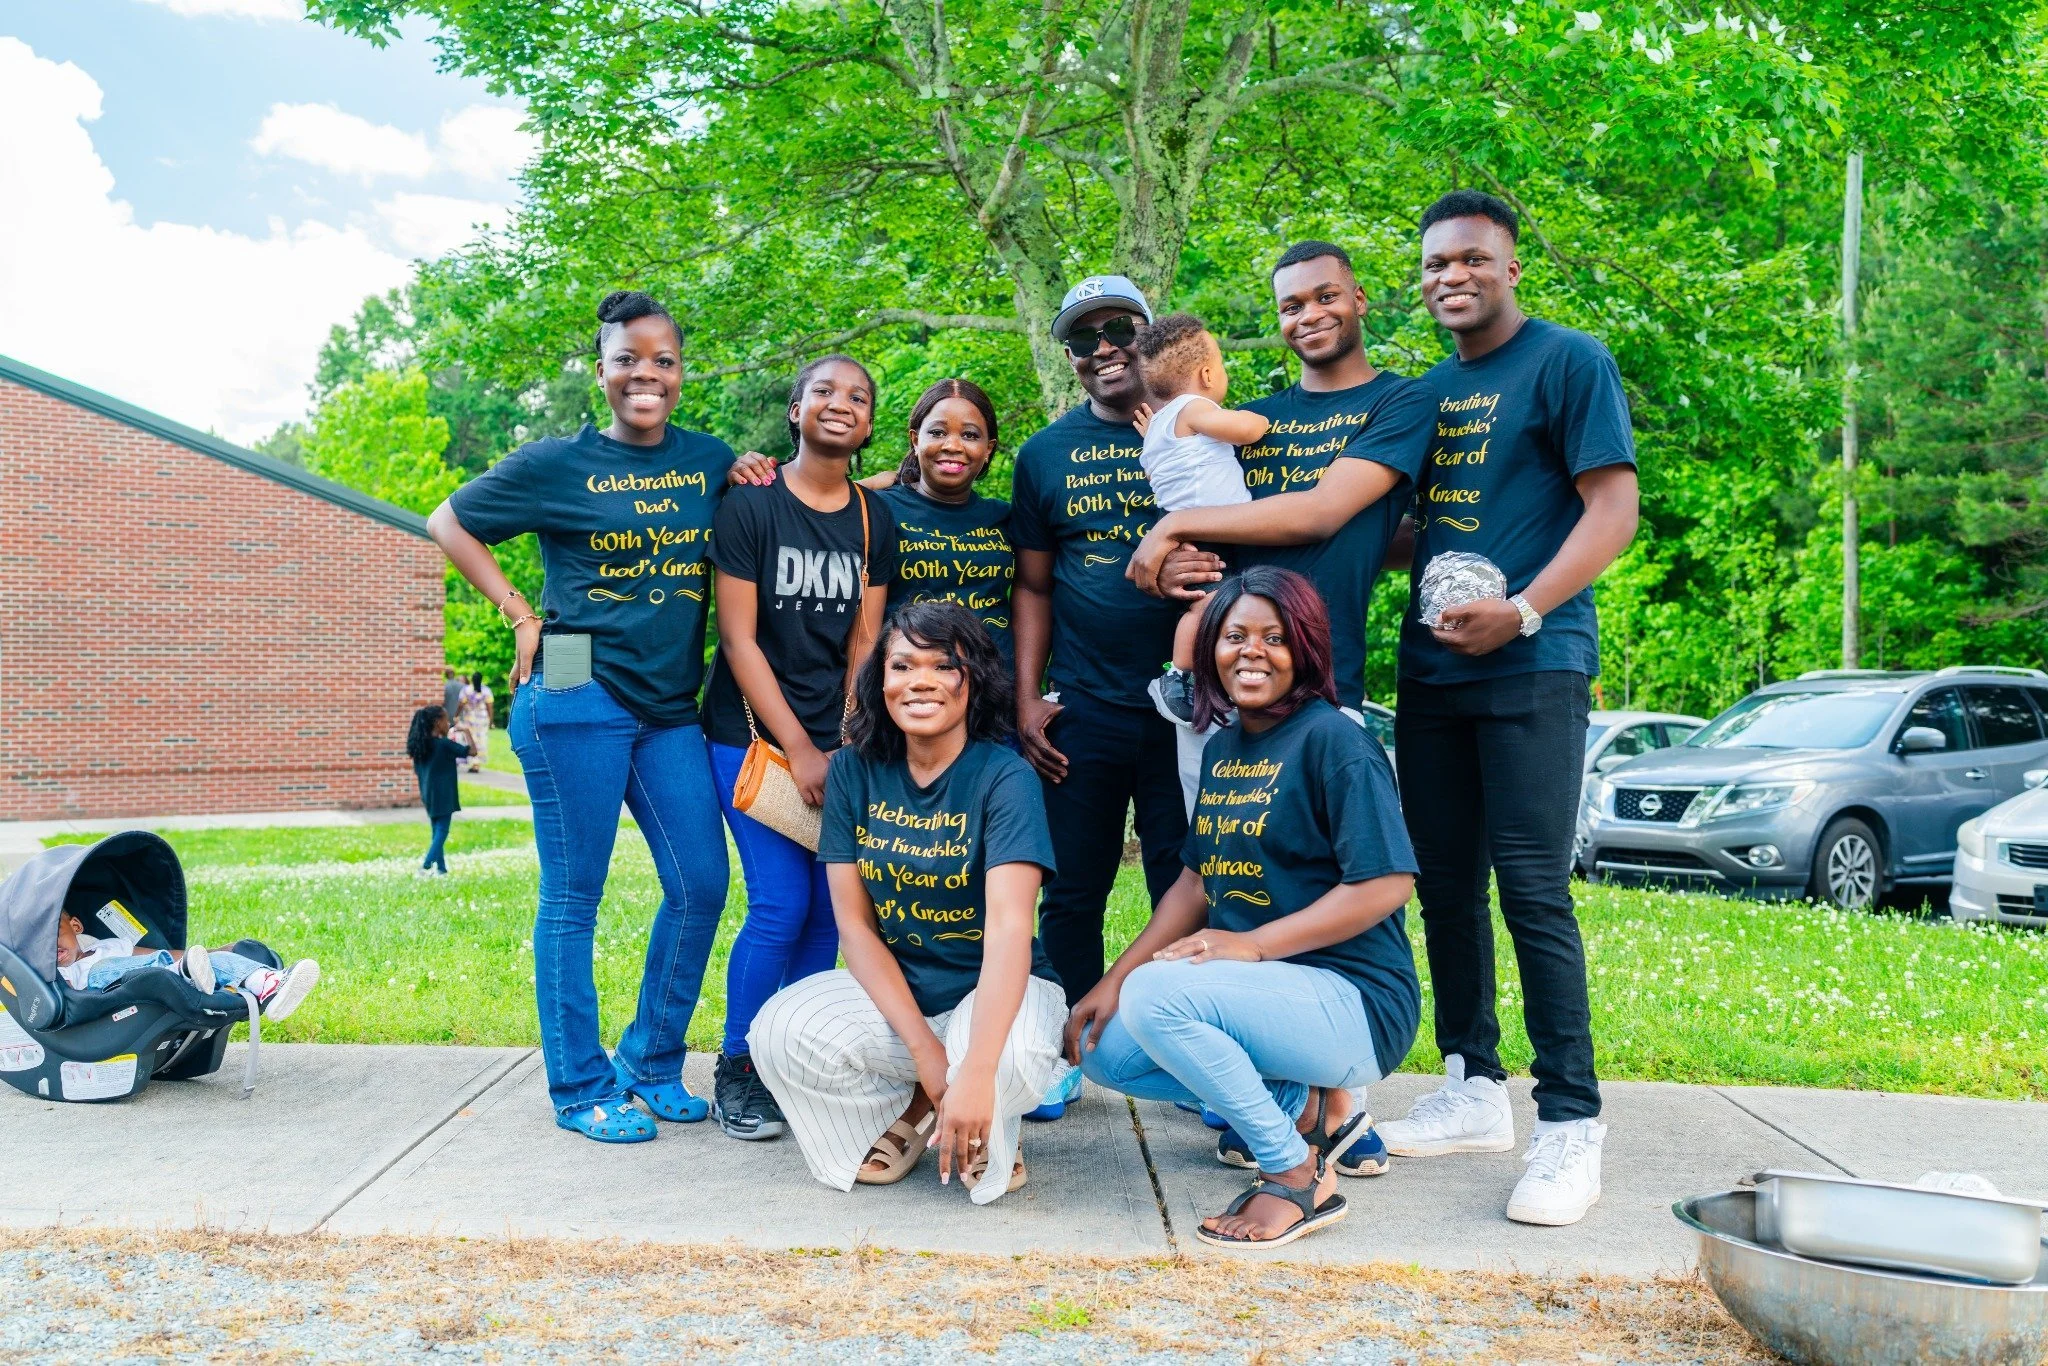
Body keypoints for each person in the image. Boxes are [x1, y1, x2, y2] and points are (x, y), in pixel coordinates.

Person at [1371, 190, 1640, 1228]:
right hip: (1432, 672)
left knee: (1531, 889)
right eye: (1436, 264)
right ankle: (1472, 1087)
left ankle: (1570, 1123)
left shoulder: (1569, 362)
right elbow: (1411, 534)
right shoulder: (1427, 393)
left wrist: (1523, 610)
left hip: (1535, 661)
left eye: (1472, 259)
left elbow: (1611, 509)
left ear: (1511, 267)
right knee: (1443, 884)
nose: (1453, 276)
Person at [428, 289, 737, 1144]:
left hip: (670, 704)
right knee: (574, 895)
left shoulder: (708, 460)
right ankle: (578, 1087)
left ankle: (651, 1060)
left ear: (681, 372)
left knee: (701, 883)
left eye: (663, 360)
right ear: (600, 370)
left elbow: (790, 498)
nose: (646, 374)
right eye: (627, 359)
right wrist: (519, 614)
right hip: (574, 680)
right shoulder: (554, 464)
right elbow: (448, 521)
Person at [1070, 567, 1420, 1249]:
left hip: (1355, 1000)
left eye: (1274, 637)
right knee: (1102, 1047)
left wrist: (1252, 944)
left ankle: (1294, 1173)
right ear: (1210, 650)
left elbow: (1387, 884)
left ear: (1306, 649)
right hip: (1269, 996)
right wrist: (1111, 980)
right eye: (1234, 636)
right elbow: (1193, 884)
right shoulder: (1227, 746)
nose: (1251, 651)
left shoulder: (1336, 741)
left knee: (1158, 997)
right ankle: (1305, 1105)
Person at [750, 602, 1067, 1202]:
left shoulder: (1006, 777)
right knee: (779, 1032)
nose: (920, 681)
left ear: (974, 681)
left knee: (1012, 1059)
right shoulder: (853, 772)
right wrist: (926, 1055)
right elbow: (855, 928)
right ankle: (925, 1101)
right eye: (902, 666)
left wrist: (976, 1069)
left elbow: (1008, 931)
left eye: (943, 665)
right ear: (881, 681)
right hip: (904, 997)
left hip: (997, 992)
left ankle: (988, 1114)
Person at [1010, 275, 1224, 1017]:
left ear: (1151, 335)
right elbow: (1033, 586)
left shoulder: (1203, 428)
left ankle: (1174, 1031)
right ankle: (1068, 1038)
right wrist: (1027, 698)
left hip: (1191, 704)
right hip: (1086, 705)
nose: (1102, 348)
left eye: (1120, 330)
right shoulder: (1044, 455)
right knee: (1072, 887)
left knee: (1185, 878)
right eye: (1082, 336)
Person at [701, 353, 898, 1142]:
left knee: (828, 915)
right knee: (780, 905)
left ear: (870, 422)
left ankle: (789, 1058)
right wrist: (802, 749)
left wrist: (847, 738)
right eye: (824, 391)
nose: (841, 403)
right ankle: (736, 1066)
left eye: (858, 397)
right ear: (795, 409)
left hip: (837, 743)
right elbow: (738, 641)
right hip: (750, 739)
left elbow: (865, 640)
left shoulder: (873, 519)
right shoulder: (750, 505)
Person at [1124, 240, 1435, 714]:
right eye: (1292, 307)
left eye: (1326, 297)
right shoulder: (1245, 420)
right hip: (1223, 683)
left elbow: (1322, 514)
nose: (1309, 315)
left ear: (1359, 299)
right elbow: (1199, 504)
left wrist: (1172, 527)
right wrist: (1171, 564)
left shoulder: (1402, 402)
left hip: (1323, 680)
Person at [1126, 311, 1271, 812]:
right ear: (1207, 374)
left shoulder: (1157, 431)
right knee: (1207, 606)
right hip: (1214, 528)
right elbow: (1242, 430)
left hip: (1185, 527)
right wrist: (1258, 422)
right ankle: (1179, 677)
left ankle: (1186, 673)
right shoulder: (1193, 408)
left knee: (1202, 607)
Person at [874, 379, 1016, 658]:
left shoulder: (1005, 517)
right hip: (911, 676)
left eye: (970, 435)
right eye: (937, 432)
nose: (953, 445)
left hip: (995, 679)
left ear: (988, 449)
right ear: (916, 440)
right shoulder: (880, 509)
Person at [57, 912, 320, 1020]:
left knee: (212, 961)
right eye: (40, 943)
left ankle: (269, 984)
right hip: (119, 995)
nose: (49, 945)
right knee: (101, 970)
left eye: (55, 932)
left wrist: (216, 950)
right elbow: (67, 999)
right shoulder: (59, 972)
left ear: (76, 926)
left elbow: (163, 954)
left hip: (167, 973)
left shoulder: (108, 946)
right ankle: (182, 972)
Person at [407, 704, 474, 877]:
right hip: (444, 794)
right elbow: (472, 752)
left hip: (427, 794)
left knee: (436, 831)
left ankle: (441, 869)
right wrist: (466, 732)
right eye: (445, 719)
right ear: (437, 722)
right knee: (442, 831)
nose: (448, 723)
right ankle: (425, 866)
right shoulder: (444, 745)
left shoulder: (420, 747)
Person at [458, 673, 494, 772]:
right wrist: (491, 721)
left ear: (472, 679)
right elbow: (490, 707)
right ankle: (477, 763)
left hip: (470, 719)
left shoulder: (466, 690)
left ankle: (473, 762)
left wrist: (456, 715)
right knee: (481, 740)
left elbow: (461, 704)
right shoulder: (486, 690)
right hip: (482, 719)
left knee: (471, 739)